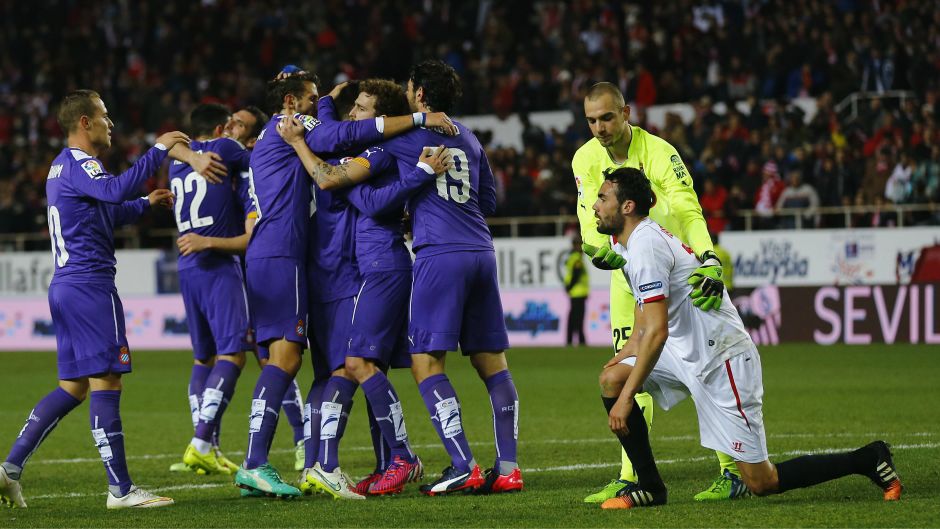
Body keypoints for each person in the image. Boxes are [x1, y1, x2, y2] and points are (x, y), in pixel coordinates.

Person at [591, 167, 902, 509]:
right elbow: (646, 315)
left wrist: (628, 398)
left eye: (603, 198)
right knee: (612, 378)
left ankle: (867, 458)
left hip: (722, 360)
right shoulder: (634, 244)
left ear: (627, 207)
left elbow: (658, 331)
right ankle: (651, 487)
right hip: (686, 353)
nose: (594, 205)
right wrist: (628, 351)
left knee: (761, 482)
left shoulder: (646, 246)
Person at [233, 69, 456, 498]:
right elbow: (339, 158)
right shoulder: (306, 135)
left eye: (358, 108)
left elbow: (340, 158)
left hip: (319, 263)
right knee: (336, 365)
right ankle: (300, 462)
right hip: (327, 265)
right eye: (320, 102)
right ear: (293, 104)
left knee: (339, 367)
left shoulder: (342, 146)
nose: (342, 113)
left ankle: (328, 464)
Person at [0, 89, 223, 509]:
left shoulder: (62, 169)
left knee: (71, 387)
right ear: (84, 122)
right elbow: (116, 190)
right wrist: (158, 150)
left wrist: (146, 202)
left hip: (66, 288)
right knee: (107, 380)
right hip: (90, 287)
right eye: (104, 116)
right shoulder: (80, 163)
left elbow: (107, 209)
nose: (111, 123)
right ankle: (120, 489)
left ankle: (9, 469)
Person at [571, 82, 737, 503]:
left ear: (626, 113)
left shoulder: (660, 152)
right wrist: (598, 249)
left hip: (675, 276)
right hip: (626, 276)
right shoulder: (585, 159)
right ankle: (634, 476)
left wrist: (707, 257)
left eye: (607, 117)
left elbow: (686, 207)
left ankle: (732, 468)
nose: (600, 128)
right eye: (591, 120)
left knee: (706, 367)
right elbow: (588, 217)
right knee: (626, 371)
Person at [382, 60, 521, 495]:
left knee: (425, 362)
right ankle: (510, 467)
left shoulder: (405, 136)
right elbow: (489, 200)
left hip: (440, 255)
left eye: (409, 87)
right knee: (492, 363)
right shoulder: (470, 137)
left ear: (421, 95)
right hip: (481, 251)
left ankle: (462, 463)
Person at [172, 105, 309, 476]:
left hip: (252, 271)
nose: (230, 128)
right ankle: (206, 444)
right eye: (229, 121)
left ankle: (300, 441)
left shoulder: (252, 175)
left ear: (250, 139)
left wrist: (186, 154)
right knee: (221, 358)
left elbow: (252, 236)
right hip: (223, 271)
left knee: (269, 360)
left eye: (239, 125)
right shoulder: (226, 166)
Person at [564, 237, 590, 346]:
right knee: (578, 319)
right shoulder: (577, 259)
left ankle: (570, 341)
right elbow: (576, 273)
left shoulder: (573, 257)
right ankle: (581, 341)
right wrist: (570, 287)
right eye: (580, 245)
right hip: (578, 293)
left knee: (573, 318)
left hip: (575, 293)